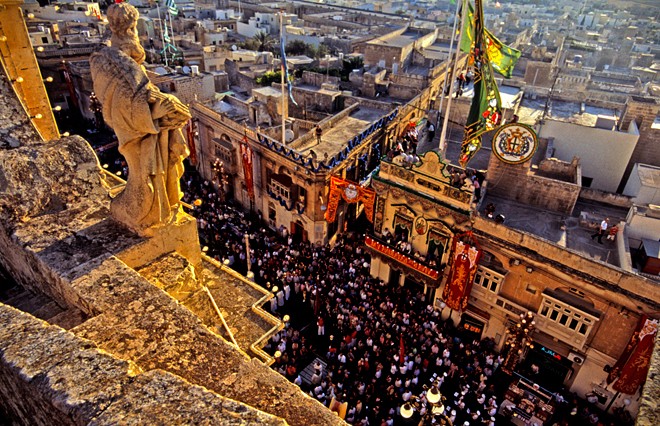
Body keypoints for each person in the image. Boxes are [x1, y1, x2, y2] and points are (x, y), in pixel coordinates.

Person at [90, 3, 191, 235]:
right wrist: (154, 112)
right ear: (131, 27)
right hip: (137, 131)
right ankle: (144, 213)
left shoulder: (121, 60)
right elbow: (119, 104)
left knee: (159, 174)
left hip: (148, 128)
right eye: (132, 26)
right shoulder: (108, 60)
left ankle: (160, 210)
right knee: (144, 175)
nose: (133, 31)